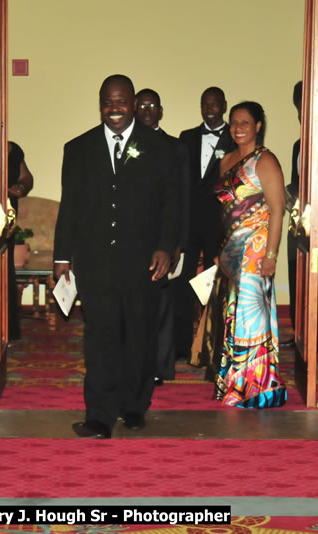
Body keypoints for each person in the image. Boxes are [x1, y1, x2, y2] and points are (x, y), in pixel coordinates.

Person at [53, 75, 180, 438]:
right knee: (100, 338)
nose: (115, 109)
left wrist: (165, 246)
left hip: (143, 262)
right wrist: (62, 257)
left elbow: (172, 204)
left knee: (138, 336)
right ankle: (99, 414)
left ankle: (135, 404)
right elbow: (70, 207)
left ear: (134, 104)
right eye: (108, 102)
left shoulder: (161, 148)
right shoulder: (78, 148)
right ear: (100, 104)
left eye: (122, 101)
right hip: (95, 262)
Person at [197, 101, 287, 408]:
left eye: (245, 123)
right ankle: (233, 383)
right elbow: (222, 210)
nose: (238, 128)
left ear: (258, 126)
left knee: (251, 316)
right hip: (230, 250)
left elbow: (277, 210)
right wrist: (218, 251)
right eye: (234, 122)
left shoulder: (266, 161)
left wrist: (271, 255)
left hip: (256, 249)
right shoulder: (227, 160)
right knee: (231, 315)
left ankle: (257, 387)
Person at [176, 87, 237, 368]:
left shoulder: (234, 138)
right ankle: (181, 344)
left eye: (214, 103)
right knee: (183, 283)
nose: (210, 107)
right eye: (205, 103)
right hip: (188, 223)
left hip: (216, 224)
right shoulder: (186, 138)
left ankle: (215, 343)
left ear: (224, 105)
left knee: (216, 285)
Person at [134, 88, 189, 386]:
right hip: (130, 241)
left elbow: (182, 197)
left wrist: (177, 241)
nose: (146, 109)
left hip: (162, 240)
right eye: (141, 105)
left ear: (160, 111)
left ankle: (160, 367)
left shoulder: (175, 147)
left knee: (161, 305)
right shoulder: (122, 143)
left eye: (151, 105)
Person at [285, 80, 318, 347]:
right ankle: (300, 331)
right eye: (300, 104)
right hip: (299, 222)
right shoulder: (299, 144)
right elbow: (297, 181)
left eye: (309, 103)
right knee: (295, 274)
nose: (303, 110)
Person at [7, 141, 34, 341]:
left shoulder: (12, 150)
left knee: (6, 275)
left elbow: (27, 177)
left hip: (5, 225)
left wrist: (22, 187)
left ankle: (7, 331)